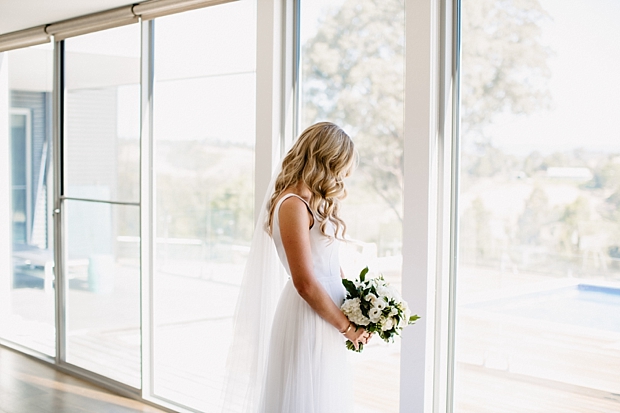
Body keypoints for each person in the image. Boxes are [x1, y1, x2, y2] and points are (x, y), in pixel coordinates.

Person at [222, 122, 369, 413]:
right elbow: (304, 282)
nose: (341, 178)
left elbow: (330, 266)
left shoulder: (316, 203)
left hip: (329, 314)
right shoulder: (292, 205)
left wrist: (358, 307)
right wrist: (347, 327)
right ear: (325, 160)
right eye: (340, 168)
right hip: (309, 316)